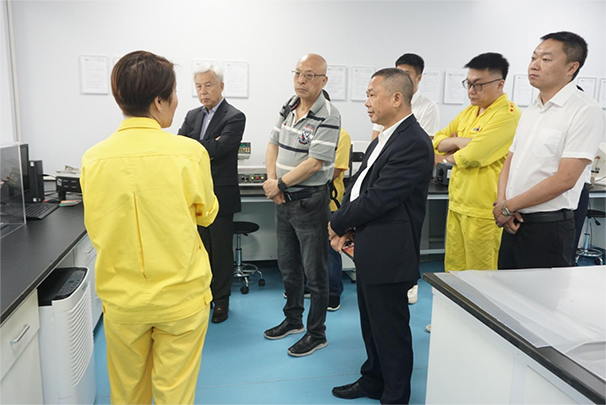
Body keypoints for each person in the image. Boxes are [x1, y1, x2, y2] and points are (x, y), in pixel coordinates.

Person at [81, 51, 218, 405]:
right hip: (181, 296)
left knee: (127, 393)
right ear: (159, 101)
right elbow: (206, 214)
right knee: (175, 394)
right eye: (175, 93)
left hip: (122, 299)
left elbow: (95, 221)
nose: (176, 101)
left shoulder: (93, 159)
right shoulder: (189, 153)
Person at [329, 68, 434, 404]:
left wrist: (336, 222)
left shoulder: (414, 142)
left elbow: (380, 198)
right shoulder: (383, 138)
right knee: (372, 324)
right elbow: (359, 185)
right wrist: (346, 224)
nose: (367, 102)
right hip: (370, 247)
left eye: (372, 94)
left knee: (391, 331)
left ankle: (395, 396)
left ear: (396, 98)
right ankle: (373, 379)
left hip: (391, 253)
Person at [494, 31, 605, 269]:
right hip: (513, 221)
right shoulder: (532, 109)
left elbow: (565, 179)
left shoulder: (585, 110)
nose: (534, 65)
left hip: (548, 228)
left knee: (540, 293)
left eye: (545, 59)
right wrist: (503, 202)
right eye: (533, 58)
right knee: (503, 290)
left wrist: (508, 207)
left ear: (571, 67)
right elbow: (511, 159)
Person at [262, 54, 340, 357]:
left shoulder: (329, 115)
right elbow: (273, 144)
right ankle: (293, 320)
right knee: (288, 267)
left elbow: (315, 162)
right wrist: (273, 182)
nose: (301, 80)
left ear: (323, 80)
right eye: (297, 74)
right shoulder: (289, 106)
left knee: (315, 272)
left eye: (309, 75)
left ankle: (316, 333)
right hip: (282, 200)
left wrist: (280, 184)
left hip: (309, 202)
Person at [434, 53, 521, 273]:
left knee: (481, 277)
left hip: (483, 210)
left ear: (500, 84)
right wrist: (459, 141)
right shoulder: (469, 112)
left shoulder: (508, 115)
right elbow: (436, 141)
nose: (471, 91)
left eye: (479, 85)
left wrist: (451, 154)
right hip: (457, 203)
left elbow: (472, 155)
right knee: (453, 271)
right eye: (469, 84)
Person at [178, 63, 246, 323]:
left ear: (221, 86)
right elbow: (180, 145)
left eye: (208, 85)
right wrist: (208, 145)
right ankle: (203, 296)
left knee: (220, 252)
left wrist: (198, 146)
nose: (203, 91)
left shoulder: (234, 116)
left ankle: (221, 301)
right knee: (199, 249)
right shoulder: (192, 115)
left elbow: (221, 148)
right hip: (194, 194)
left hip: (220, 195)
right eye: (198, 86)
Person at [370, 53, 440, 305]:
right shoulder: (383, 105)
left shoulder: (426, 108)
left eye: (407, 74)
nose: (401, 76)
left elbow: (426, 147)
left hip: (405, 182)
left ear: (419, 78)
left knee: (406, 237)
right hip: (385, 178)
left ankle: (409, 284)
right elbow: (376, 145)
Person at [324, 90, 352, 311]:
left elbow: (335, 171)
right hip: (305, 201)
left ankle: (333, 293)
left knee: (330, 249)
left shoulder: (341, 135)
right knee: (308, 248)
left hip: (329, 201)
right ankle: (309, 286)